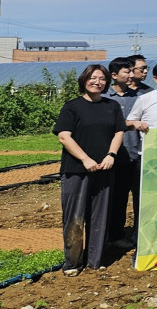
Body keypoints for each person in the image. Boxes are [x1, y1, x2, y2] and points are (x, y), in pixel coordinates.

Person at [53, 64, 125, 276]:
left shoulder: (112, 106)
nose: (98, 82)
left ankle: (95, 260)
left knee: (100, 216)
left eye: (102, 79)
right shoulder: (72, 106)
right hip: (76, 170)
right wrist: (85, 159)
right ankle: (73, 263)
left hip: (105, 168)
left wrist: (111, 155)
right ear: (84, 80)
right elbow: (64, 136)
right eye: (93, 78)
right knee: (74, 217)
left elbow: (118, 132)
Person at [104, 57, 140, 248]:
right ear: (114, 75)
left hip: (132, 154)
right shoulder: (104, 98)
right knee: (107, 197)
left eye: (132, 71)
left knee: (123, 197)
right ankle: (104, 235)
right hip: (109, 155)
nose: (131, 75)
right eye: (127, 72)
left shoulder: (137, 97)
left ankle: (117, 235)